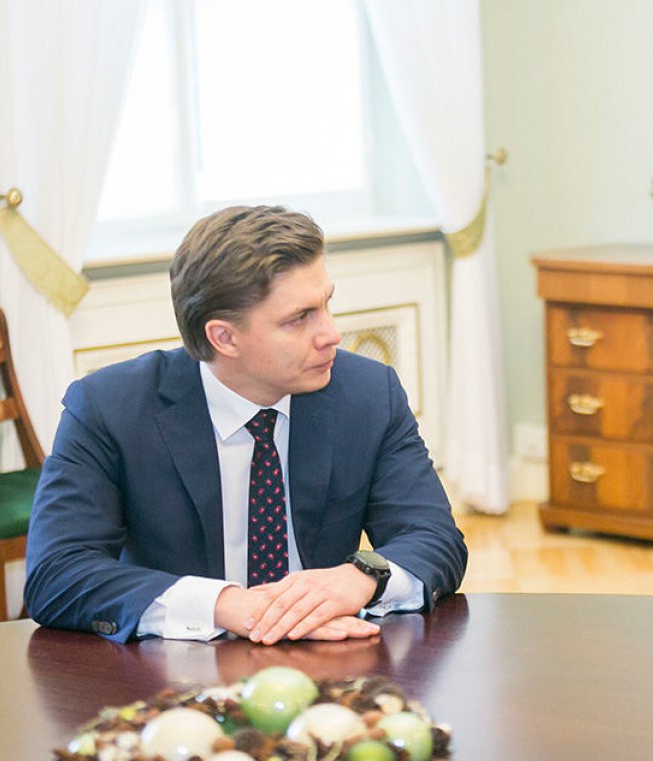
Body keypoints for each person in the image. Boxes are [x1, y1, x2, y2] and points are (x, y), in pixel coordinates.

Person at [25, 206, 467, 644]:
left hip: (331, 653)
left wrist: (360, 577)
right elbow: (56, 573)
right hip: (175, 662)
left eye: (326, 304)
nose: (331, 334)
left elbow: (433, 537)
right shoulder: (111, 408)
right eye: (299, 318)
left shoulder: (367, 393)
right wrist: (231, 606)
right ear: (224, 337)